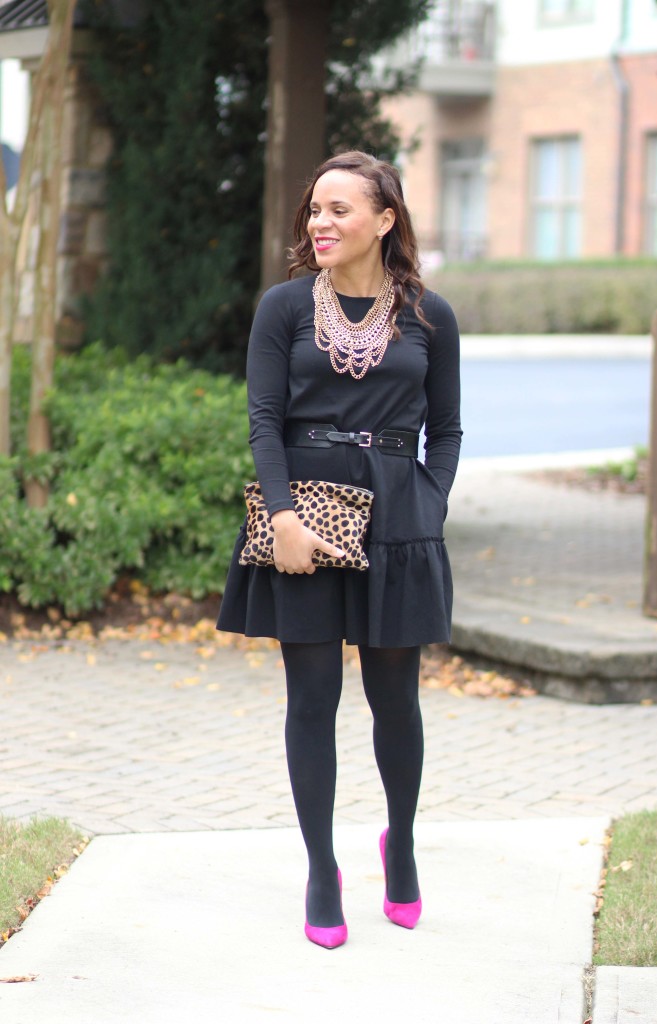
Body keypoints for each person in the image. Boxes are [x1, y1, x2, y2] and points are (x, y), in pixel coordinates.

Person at [217, 150, 462, 949]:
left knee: (396, 699)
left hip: (398, 517)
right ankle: (322, 868)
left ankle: (402, 844)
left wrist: (430, 499)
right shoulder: (284, 308)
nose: (319, 223)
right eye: (313, 210)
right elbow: (262, 421)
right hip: (304, 516)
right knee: (311, 699)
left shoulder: (431, 316)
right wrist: (281, 517)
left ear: (384, 220)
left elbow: (446, 428)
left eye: (338, 210)